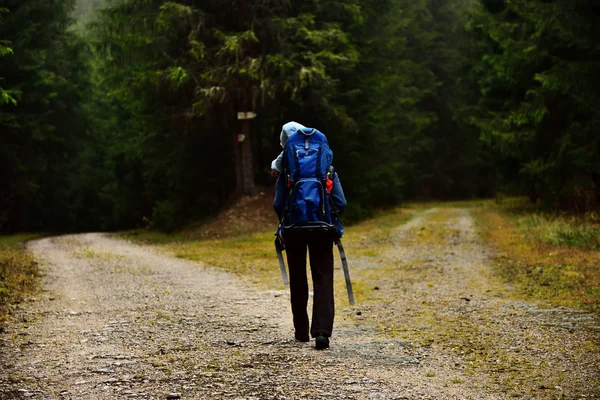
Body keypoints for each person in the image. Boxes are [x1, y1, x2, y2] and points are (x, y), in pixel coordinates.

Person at [273, 122, 347, 350]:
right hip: (323, 227)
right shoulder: (327, 169)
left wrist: (284, 223)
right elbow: (340, 202)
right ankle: (322, 332)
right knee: (323, 277)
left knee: (297, 277)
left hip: (294, 228)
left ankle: (301, 331)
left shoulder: (287, 170)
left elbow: (278, 203)